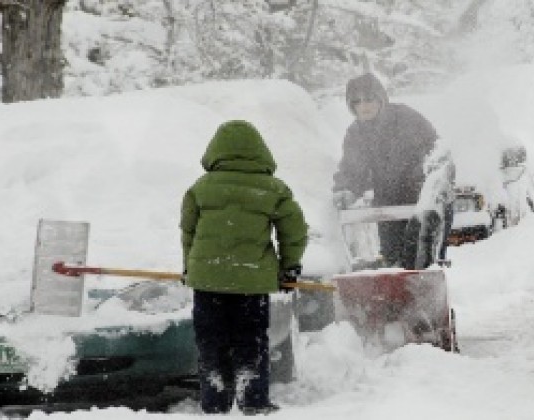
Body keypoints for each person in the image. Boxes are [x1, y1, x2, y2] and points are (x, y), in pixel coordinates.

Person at [180, 120, 308, 415]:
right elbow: (294, 231)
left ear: (215, 151)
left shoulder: (200, 188)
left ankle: (215, 402)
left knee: (211, 340)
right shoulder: (273, 188)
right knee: (250, 339)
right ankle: (253, 401)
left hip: (207, 279)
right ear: (260, 152)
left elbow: (188, 231)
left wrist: (189, 267)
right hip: (251, 281)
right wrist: (289, 268)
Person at [333, 72, 450, 269]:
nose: (364, 106)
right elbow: (353, 169)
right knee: (392, 258)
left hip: (420, 196)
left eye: (369, 99)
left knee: (420, 256)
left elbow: (436, 148)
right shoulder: (356, 134)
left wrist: (431, 179)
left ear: (380, 99)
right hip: (386, 201)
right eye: (357, 102)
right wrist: (347, 190)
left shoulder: (406, 118)